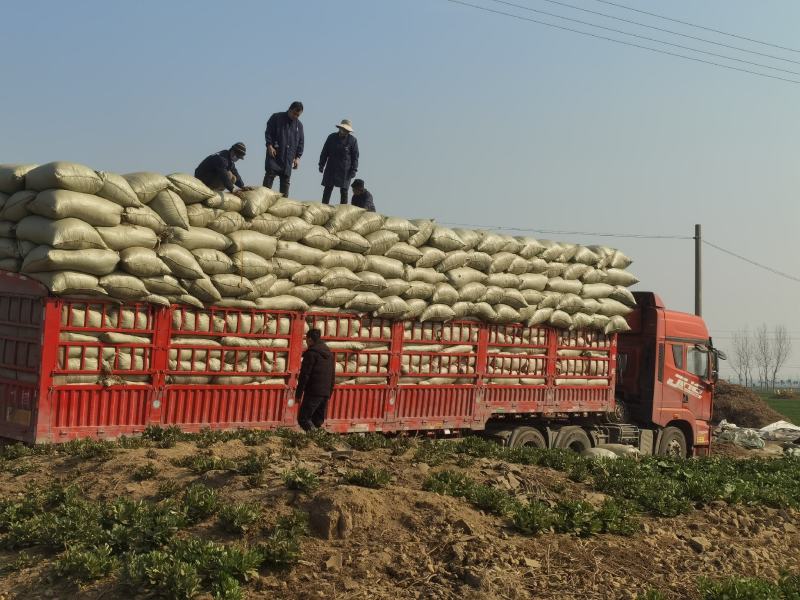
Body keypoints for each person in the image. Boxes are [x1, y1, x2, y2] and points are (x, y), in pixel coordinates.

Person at [295, 328, 335, 431]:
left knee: (303, 419)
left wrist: (299, 394)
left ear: (310, 339)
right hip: (325, 393)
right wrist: (329, 392)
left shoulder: (311, 354)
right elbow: (332, 375)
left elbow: (305, 375)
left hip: (313, 392)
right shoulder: (329, 354)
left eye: (306, 340)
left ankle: (315, 438)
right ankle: (319, 442)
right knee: (316, 421)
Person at [264, 101, 304, 196]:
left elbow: (301, 142)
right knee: (268, 181)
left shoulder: (299, 126)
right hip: (275, 155)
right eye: (294, 113)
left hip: (288, 159)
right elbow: (268, 132)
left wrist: (297, 158)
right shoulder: (276, 118)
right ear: (290, 109)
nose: (295, 116)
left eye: (298, 115)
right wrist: (269, 145)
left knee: (285, 187)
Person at [318, 119, 359, 204]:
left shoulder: (352, 140)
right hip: (331, 167)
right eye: (344, 130)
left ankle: (343, 210)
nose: (345, 132)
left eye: (347, 131)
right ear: (340, 128)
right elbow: (325, 151)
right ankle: (324, 206)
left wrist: (354, 169)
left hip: (345, 169)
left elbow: (355, 157)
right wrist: (321, 164)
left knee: (344, 191)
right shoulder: (331, 137)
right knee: (327, 189)